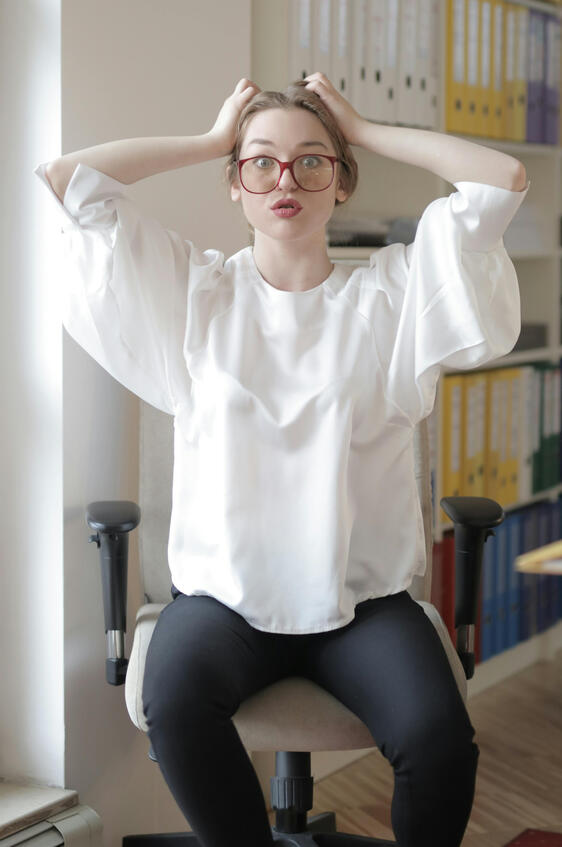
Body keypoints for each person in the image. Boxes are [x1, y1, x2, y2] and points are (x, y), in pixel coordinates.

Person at [35, 74, 529, 847]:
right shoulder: (194, 296)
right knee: (174, 700)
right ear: (236, 184)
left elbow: (501, 180)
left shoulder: (391, 300)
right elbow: (72, 183)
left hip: (362, 606)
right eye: (260, 162)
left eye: (312, 161)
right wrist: (209, 139)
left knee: (439, 740)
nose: (285, 181)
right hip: (224, 604)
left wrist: (363, 128)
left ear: (342, 181)